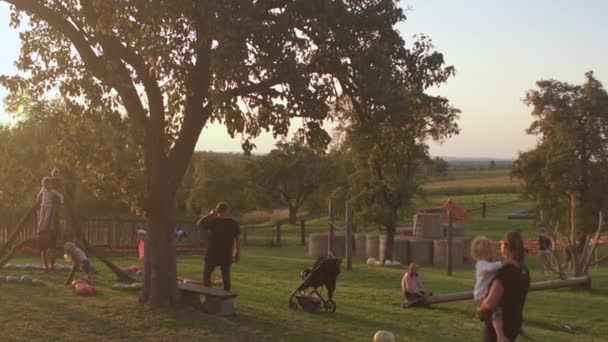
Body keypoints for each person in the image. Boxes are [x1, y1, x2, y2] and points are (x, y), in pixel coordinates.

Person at [479, 231, 530, 342]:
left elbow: (490, 304)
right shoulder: (523, 270)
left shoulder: (504, 273)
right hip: (514, 323)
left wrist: (481, 307)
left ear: (506, 246)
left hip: (498, 329)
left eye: (502, 243)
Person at [197, 202, 241, 292]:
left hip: (212, 254)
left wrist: (210, 215)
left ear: (217, 211)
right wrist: (237, 252)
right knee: (226, 280)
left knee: (206, 278)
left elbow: (200, 224)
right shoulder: (233, 223)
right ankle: (226, 300)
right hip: (226, 254)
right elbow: (237, 239)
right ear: (227, 211)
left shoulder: (213, 222)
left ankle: (208, 297)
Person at [471, 237, 505, 341]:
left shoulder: (489, 262)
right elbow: (490, 268)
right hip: (481, 296)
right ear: (483, 254)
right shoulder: (481, 264)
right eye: (491, 251)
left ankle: (482, 312)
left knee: (494, 312)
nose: (494, 253)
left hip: (486, 294)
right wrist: (504, 263)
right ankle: (500, 336)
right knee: (496, 312)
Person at [36, 176, 65, 272]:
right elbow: (39, 195)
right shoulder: (43, 190)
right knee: (44, 249)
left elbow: (60, 195)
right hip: (44, 231)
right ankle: (46, 266)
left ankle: (51, 266)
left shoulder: (53, 194)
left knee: (52, 248)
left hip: (51, 231)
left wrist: (61, 203)